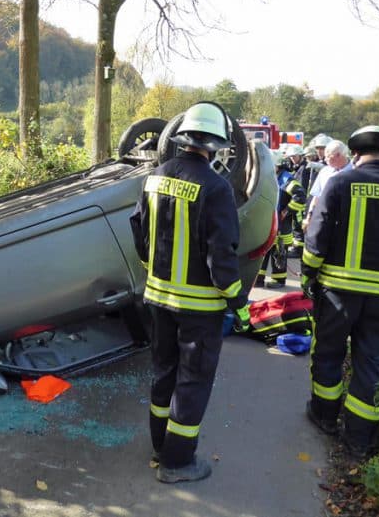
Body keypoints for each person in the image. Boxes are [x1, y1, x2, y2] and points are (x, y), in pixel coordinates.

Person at [130, 101, 251, 483]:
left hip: (158, 299)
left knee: (163, 372)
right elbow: (222, 255)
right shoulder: (216, 188)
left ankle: (160, 445)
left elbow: (139, 229)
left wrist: (153, 270)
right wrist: (238, 302)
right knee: (192, 382)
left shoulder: (155, 177)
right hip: (199, 309)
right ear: (216, 146)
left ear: (182, 139)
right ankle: (177, 462)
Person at [301, 125, 379, 460]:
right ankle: (358, 439)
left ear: (355, 153)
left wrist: (308, 275)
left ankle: (324, 416)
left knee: (328, 353)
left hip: (338, 293)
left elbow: (317, 236)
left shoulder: (340, 183)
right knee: (372, 365)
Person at [255, 155, 306, 288]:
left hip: (281, 225)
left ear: (277, 166)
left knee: (278, 252)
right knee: (263, 251)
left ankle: (278, 280)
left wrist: (286, 211)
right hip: (268, 222)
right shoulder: (271, 177)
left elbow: (300, 196)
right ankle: (258, 279)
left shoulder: (287, 179)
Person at [303, 140, 352, 231]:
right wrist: (309, 217)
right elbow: (316, 197)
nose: (325, 159)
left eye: (328, 156)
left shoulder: (356, 171)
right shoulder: (324, 172)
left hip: (347, 222)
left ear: (338, 155)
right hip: (325, 220)